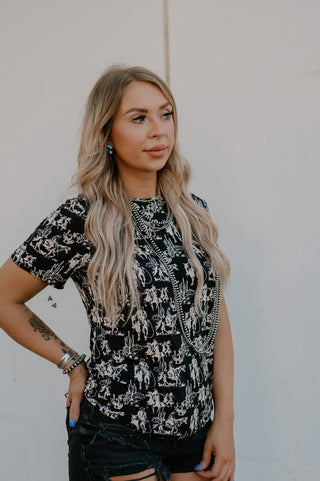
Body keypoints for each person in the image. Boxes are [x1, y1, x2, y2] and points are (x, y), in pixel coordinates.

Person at [0, 65, 235, 481]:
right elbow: (4, 298)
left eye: (166, 114)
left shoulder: (191, 210)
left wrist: (224, 421)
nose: (159, 131)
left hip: (195, 435)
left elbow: (214, 316)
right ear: (107, 133)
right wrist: (71, 363)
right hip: (118, 433)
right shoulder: (83, 218)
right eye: (139, 118)